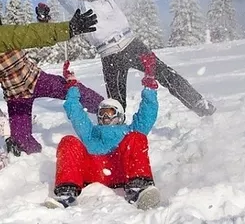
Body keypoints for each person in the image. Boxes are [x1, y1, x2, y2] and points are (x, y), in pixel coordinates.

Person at [42, 0, 216, 118]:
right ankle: (117, 134)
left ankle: (198, 103)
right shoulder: (81, 7)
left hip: (132, 45)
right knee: (116, 101)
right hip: (109, 55)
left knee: (165, 73)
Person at [44, 52, 160, 210]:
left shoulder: (129, 130)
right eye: (102, 113)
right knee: (69, 141)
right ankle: (66, 194)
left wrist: (149, 84)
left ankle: (138, 189)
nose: (105, 117)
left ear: (119, 116)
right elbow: (75, 112)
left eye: (110, 113)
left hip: (122, 171)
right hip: (94, 171)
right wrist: (72, 86)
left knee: (137, 137)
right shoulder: (91, 133)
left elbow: (148, 112)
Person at [0, 4, 104, 156]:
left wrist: (67, 28)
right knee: (23, 144)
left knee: (74, 90)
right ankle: (34, 159)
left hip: (37, 80)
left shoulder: (5, 34)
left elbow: (32, 35)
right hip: (16, 96)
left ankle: (107, 111)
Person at [0, 4, 97, 52]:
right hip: (22, 83)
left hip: (29, 75)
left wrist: (67, 29)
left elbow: (18, 35)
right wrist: (67, 29)